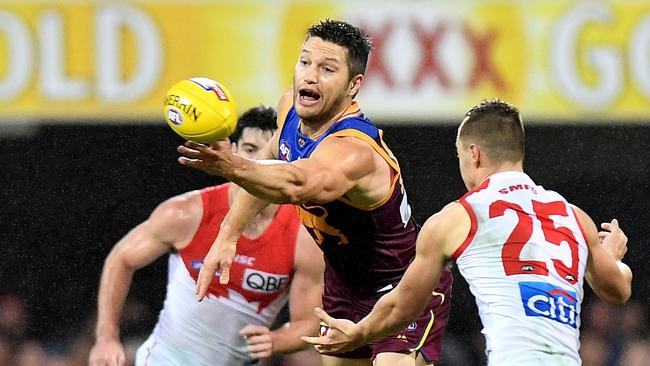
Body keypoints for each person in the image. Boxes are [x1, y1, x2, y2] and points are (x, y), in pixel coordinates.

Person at [177, 19, 453, 366]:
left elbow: (296, 183)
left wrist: (232, 166)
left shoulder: (354, 150)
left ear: (354, 85)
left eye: (327, 69)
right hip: (343, 286)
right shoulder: (289, 109)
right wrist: (229, 233)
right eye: (305, 61)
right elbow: (270, 161)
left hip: (404, 285)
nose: (310, 75)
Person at [302, 99, 634, 365]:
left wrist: (358, 334)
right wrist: (612, 257)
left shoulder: (459, 217)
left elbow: (403, 306)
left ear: (473, 154)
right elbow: (618, 289)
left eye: (460, 157)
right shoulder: (573, 216)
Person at [88, 105, 325, 366]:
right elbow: (121, 258)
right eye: (249, 150)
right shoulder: (186, 214)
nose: (259, 164)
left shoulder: (303, 237)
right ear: (232, 152)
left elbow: (310, 321)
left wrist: (277, 340)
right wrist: (107, 337)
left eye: (271, 155)